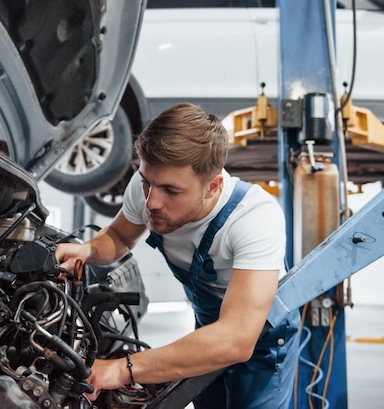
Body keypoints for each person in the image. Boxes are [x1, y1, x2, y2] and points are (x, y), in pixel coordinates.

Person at [55, 103, 300, 408]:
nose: (151, 202)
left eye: (171, 190)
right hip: (210, 329)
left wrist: (122, 369)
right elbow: (119, 237)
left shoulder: (254, 218)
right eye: (147, 182)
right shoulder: (147, 188)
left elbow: (236, 339)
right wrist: (85, 251)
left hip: (259, 338)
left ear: (212, 187)